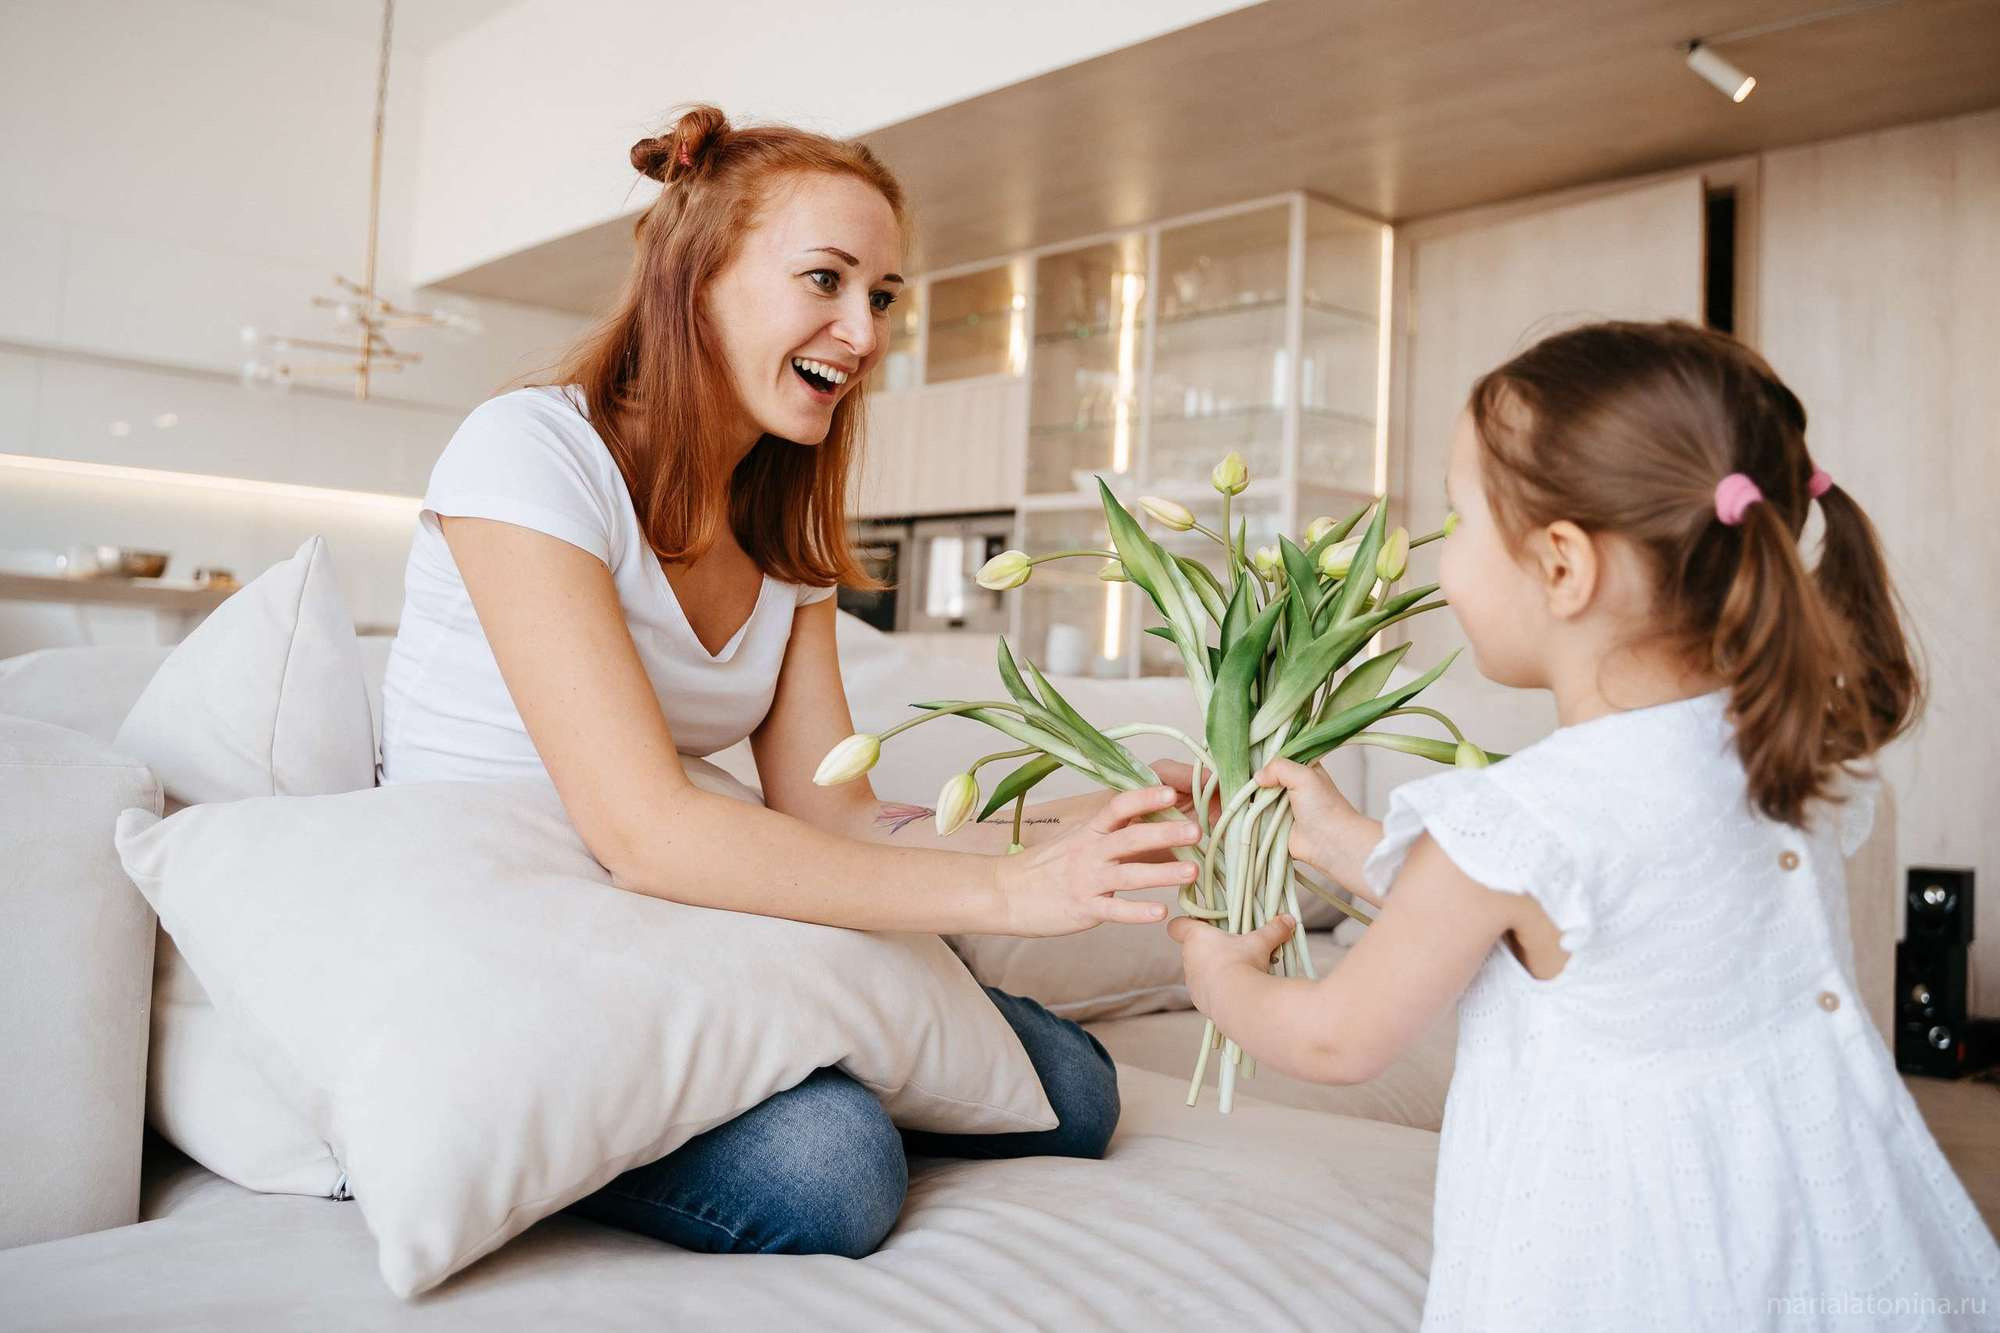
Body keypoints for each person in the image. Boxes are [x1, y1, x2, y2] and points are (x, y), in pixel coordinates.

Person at [378, 105, 1204, 1259]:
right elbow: (647, 833)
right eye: (825, 280)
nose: (861, 334)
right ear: (693, 278)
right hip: (507, 929)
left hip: (663, 928)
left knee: (1071, 1089)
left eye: (881, 298)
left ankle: (738, 1075)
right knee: (829, 1167)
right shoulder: (528, 452)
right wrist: (1015, 896)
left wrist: (1100, 819)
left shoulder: (781, 529)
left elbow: (838, 812)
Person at [1168, 320, 2000, 1327]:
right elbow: (1605, 921)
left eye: (1456, 518)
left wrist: (1218, 975)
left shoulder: (1522, 817)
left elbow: (1337, 1039)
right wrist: (1341, 836)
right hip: (1808, 1220)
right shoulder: (1786, 761)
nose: (1443, 554)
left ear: (1561, 565)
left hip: (1616, 1258)